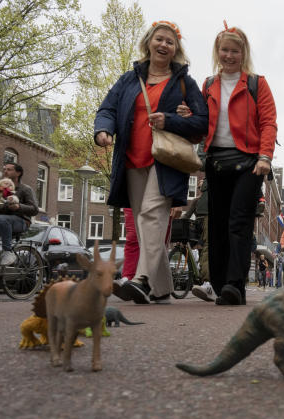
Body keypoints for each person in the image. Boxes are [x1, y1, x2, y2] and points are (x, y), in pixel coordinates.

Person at [95, 20, 208, 304]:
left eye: (170, 42)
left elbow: (202, 123)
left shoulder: (184, 83)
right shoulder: (129, 79)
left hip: (166, 162)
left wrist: (172, 119)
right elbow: (108, 107)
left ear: (176, 49)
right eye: (159, 39)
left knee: (150, 216)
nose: (164, 45)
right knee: (146, 226)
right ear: (149, 42)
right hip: (133, 160)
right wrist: (103, 130)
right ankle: (161, 289)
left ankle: (142, 281)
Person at [183, 24, 277, 306]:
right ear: (217, 51)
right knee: (218, 225)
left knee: (239, 222)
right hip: (216, 162)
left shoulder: (256, 83)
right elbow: (202, 127)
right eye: (224, 49)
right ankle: (220, 284)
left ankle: (235, 286)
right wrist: (188, 116)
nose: (229, 55)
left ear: (243, 52)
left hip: (248, 162)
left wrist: (265, 156)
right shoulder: (209, 84)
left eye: (235, 50)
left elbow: (268, 122)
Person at [0, 162, 38, 266]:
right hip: (0, 221)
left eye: (9, 169)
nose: (5, 171)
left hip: (21, 221)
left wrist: (19, 206)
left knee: (2, 218)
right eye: (4, 169)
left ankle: (8, 252)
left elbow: (34, 209)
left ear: (18, 173)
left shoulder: (25, 189)